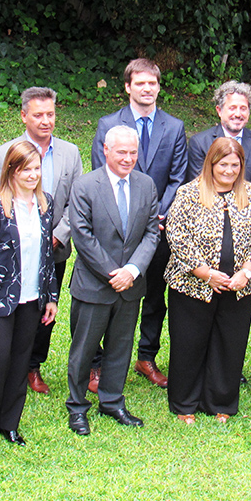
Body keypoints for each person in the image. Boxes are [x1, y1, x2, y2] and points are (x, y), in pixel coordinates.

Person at [91, 59, 187, 389]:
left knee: (155, 296)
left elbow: (178, 177)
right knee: (108, 291)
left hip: (158, 228)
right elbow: (99, 173)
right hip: (116, 227)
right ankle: (97, 362)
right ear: (128, 87)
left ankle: (146, 356)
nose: (147, 88)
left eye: (153, 83)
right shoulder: (108, 124)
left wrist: (155, 214)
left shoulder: (174, 127)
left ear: (159, 87)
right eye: (140, 83)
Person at [165, 137, 251, 424]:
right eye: (223, 164)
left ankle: (220, 401)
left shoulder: (250, 192)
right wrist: (205, 273)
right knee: (190, 343)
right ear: (211, 163)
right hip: (193, 285)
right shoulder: (189, 193)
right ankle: (185, 403)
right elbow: (177, 236)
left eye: (235, 165)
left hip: (238, 287)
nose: (229, 170)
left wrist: (245, 273)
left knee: (229, 344)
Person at [66, 126, 160, 436]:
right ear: (106, 150)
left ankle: (111, 400)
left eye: (133, 152)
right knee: (84, 349)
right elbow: (82, 235)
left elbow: (150, 233)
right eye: (122, 152)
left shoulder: (146, 185)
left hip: (130, 286)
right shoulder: (84, 186)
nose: (128, 158)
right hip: (94, 285)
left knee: (121, 347)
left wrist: (132, 271)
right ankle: (77, 406)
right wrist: (113, 273)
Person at [0, 87, 82, 395]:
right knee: (12, 305)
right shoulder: (4, 153)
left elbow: (76, 203)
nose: (45, 121)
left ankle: (32, 366)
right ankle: (4, 361)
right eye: (38, 115)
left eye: (50, 114)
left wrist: (57, 236)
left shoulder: (70, 152)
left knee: (45, 308)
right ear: (23, 116)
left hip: (54, 249)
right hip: (14, 251)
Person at [0, 142, 59, 453]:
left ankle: (9, 423)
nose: (33, 174)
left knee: (21, 361)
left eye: (37, 168)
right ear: (12, 170)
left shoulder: (45, 204)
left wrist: (51, 297)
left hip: (32, 298)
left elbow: (47, 254)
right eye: (26, 169)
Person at [187, 81, 251, 206]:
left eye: (243, 108)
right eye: (232, 108)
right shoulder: (200, 143)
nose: (238, 114)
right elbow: (196, 188)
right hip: (209, 216)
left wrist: (243, 217)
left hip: (247, 217)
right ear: (219, 111)